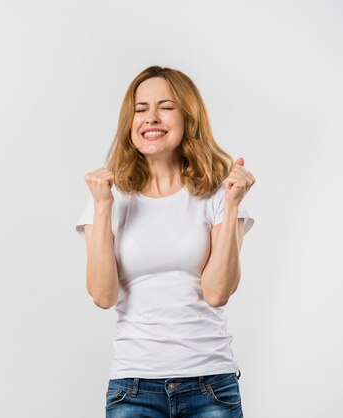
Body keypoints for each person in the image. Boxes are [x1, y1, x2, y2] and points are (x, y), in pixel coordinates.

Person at [75, 65, 255, 418]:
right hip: (133, 386)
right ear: (130, 122)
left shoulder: (219, 194)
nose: (151, 118)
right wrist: (103, 206)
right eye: (140, 109)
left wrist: (232, 206)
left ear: (188, 117)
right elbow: (102, 296)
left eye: (166, 107)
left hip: (210, 385)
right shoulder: (108, 198)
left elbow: (218, 294)